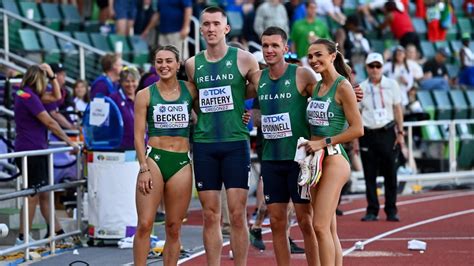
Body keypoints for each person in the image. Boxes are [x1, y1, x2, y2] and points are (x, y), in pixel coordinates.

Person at [184, 6, 259, 266]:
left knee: (238, 215)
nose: (211, 28)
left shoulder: (245, 59)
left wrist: (248, 111)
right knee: (210, 214)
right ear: (201, 29)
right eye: (206, 24)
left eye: (216, 23)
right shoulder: (192, 64)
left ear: (226, 28)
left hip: (235, 144)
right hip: (204, 145)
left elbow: (262, 88)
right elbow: (195, 100)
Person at [247, 26, 318, 266]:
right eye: (265, 45)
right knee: (277, 222)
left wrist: (351, 90)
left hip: (298, 161)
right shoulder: (258, 78)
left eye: (274, 45)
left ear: (285, 49)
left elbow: (328, 94)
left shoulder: (302, 75)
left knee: (305, 221)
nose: (269, 50)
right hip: (271, 159)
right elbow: (234, 94)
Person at [301, 38, 363, 266]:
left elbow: (358, 129)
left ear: (332, 56)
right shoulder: (317, 87)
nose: (314, 60)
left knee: (319, 225)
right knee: (328, 227)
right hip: (315, 160)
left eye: (318, 55)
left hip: (334, 158)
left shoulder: (343, 86)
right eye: (310, 56)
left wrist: (323, 142)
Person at [133, 45, 197, 266]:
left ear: (178, 64)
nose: (164, 65)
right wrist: (143, 168)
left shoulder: (191, 90)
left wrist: (241, 115)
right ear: (154, 65)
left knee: (174, 227)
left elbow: (212, 112)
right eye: (159, 61)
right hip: (154, 160)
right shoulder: (144, 95)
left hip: (181, 162)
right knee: (144, 224)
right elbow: (138, 135)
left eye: (169, 61)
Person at [14, 64, 79, 245]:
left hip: (36, 150)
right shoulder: (28, 96)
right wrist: (70, 142)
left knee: (44, 194)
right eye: (46, 81)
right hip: (31, 151)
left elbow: (57, 97)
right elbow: (50, 122)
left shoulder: (29, 95)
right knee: (33, 195)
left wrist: (51, 76)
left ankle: (56, 233)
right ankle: (22, 237)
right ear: (38, 81)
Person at [358, 52, 404, 222]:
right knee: (369, 174)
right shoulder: (361, 87)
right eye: (372, 66)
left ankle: (391, 210)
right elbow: (357, 113)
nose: (375, 69)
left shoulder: (392, 85)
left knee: (390, 173)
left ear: (383, 67)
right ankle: (372, 210)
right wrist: (356, 139)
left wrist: (400, 133)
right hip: (368, 133)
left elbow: (398, 109)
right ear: (367, 68)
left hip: (387, 132)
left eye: (378, 66)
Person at [110, 66, 141, 150]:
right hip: (121, 149)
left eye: (133, 81)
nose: (130, 84)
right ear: (121, 82)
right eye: (127, 81)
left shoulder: (141, 98)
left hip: (141, 147)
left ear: (138, 82)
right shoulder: (114, 99)